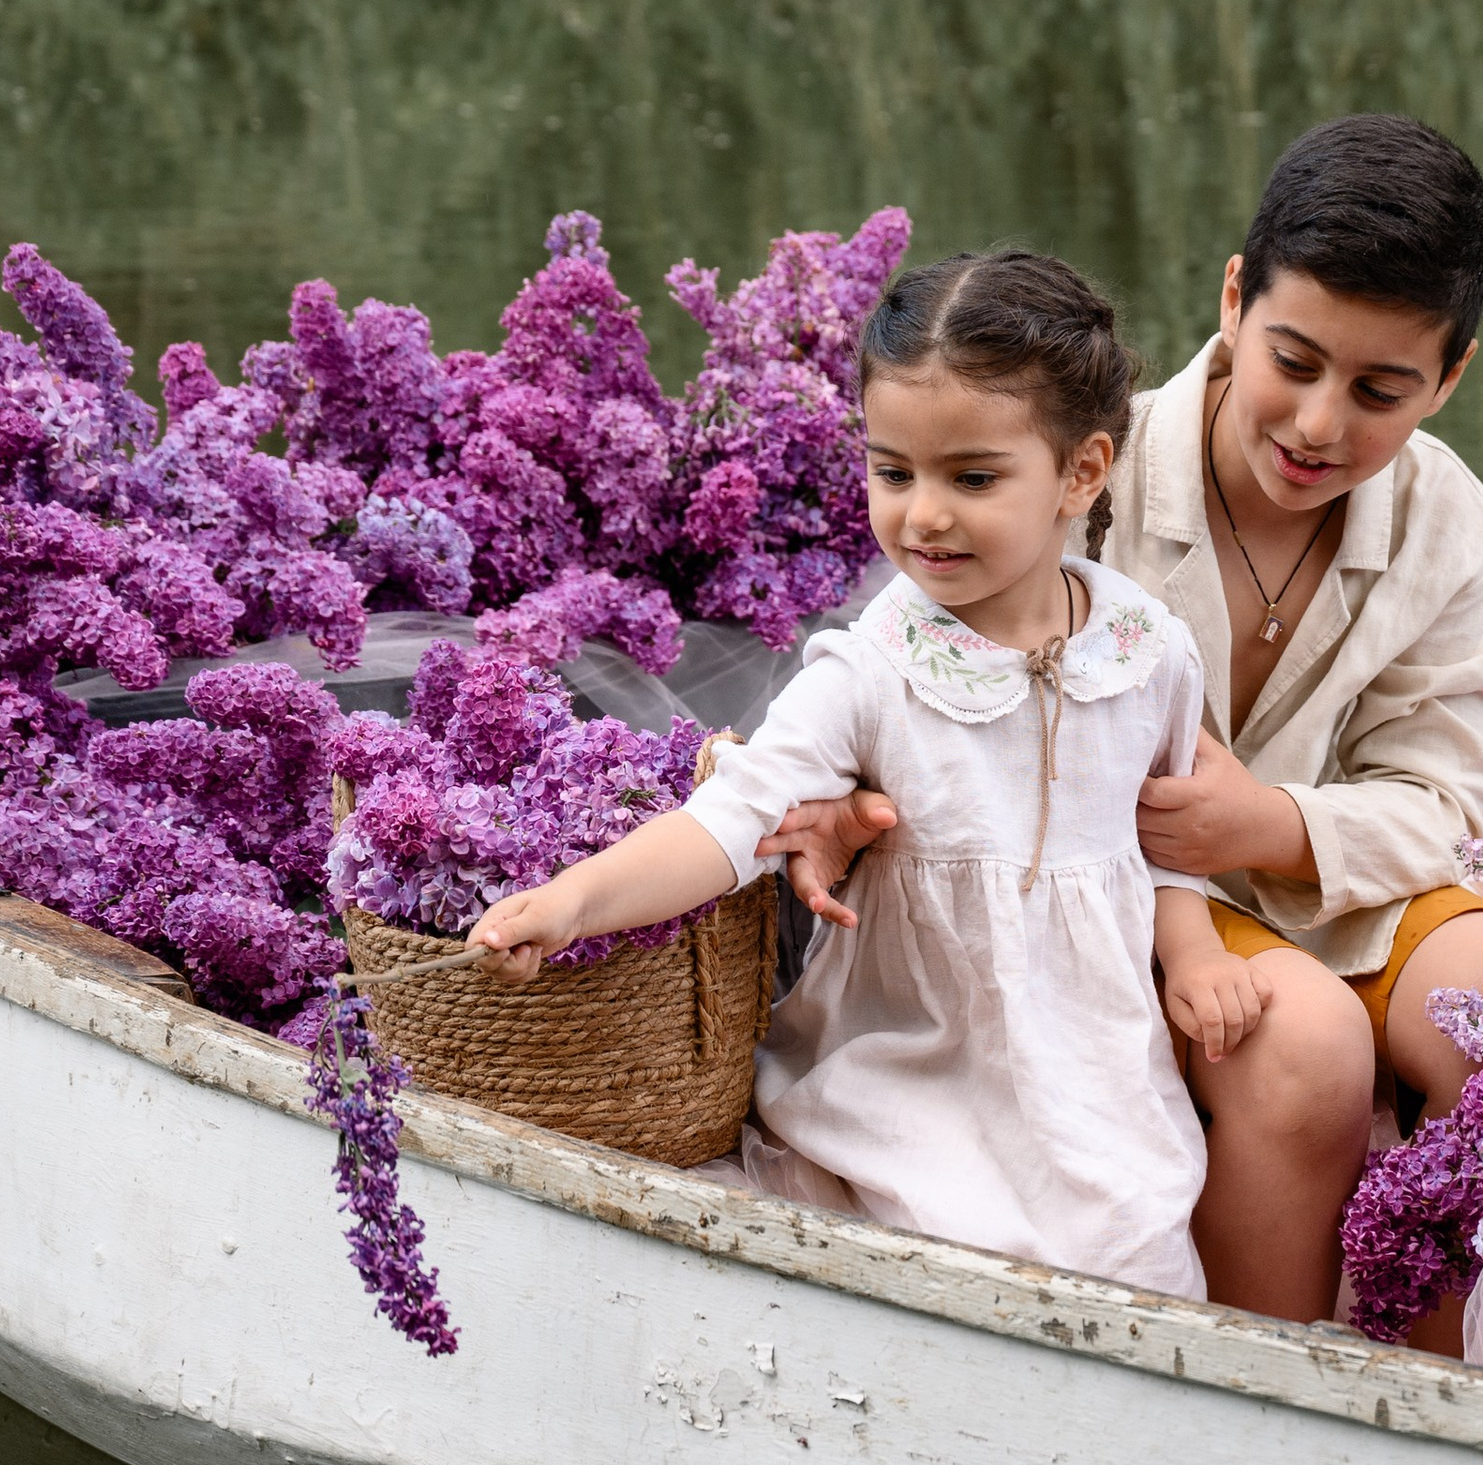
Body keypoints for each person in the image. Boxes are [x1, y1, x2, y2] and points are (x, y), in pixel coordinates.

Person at [768, 116, 1483, 1337]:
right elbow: (905, 658)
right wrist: (847, 801)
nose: (1321, 424)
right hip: (1120, 886)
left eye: (1381, 391)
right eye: (1295, 360)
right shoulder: (1078, 470)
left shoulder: (1452, 527)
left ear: (1449, 379)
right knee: (1305, 1044)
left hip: (1329, 868)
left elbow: (1439, 796)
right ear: (1233, 299)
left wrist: (1268, 821)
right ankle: (1257, 1378)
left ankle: (1442, 1394)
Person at [469, 247, 1253, 1297]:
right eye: (894, 471)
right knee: (953, 1240)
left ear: (1080, 472)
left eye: (971, 477)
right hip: (919, 1057)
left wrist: (1192, 950)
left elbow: (1159, 842)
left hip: (1093, 1068)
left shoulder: (1149, 649)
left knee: (1129, 1243)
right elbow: (728, 823)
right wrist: (573, 902)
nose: (922, 514)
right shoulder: (876, 665)